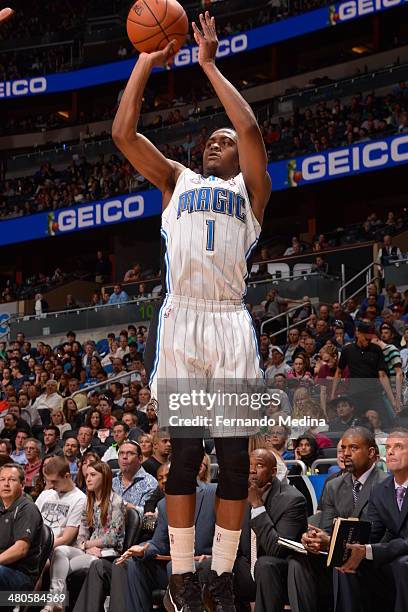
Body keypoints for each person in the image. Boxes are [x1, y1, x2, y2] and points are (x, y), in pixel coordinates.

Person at [113, 10, 271, 609]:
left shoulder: (252, 194)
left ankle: (224, 577)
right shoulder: (176, 180)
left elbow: (252, 129)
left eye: (222, 141)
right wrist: (145, 61)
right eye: (211, 139)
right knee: (185, 455)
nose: (217, 141)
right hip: (183, 320)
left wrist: (207, 65)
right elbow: (124, 135)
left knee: (233, 461)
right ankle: (181, 576)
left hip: (230, 322)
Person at [73, 473, 217, 612]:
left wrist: (216, 557)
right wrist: (143, 549)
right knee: (130, 563)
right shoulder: (164, 504)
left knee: (175, 566)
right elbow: (159, 543)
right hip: (171, 565)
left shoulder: (213, 493)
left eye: (169, 475)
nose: (165, 481)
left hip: (205, 561)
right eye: (161, 478)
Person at [289, 427, 386, 612]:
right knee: (297, 562)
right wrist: (316, 539)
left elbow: (378, 534)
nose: (346, 454)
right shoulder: (334, 486)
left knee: (344, 564)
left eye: (354, 448)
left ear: (371, 452)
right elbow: (327, 528)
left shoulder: (385, 484)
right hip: (336, 554)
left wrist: (331, 541)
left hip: (371, 557)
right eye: (344, 448)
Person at [335, 427, 408, 612]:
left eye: (398, 447)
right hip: (394, 556)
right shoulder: (380, 490)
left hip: (402, 559)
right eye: (388, 447)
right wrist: (348, 548)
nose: (390, 452)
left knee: (402, 565)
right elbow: (372, 534)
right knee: (347, 564)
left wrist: (369, 551)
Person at [42, 461, 125, 612]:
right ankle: (57, 603)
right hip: (88, 550)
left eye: (93, 475)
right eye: (87, 475)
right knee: (59, 551)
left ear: (105, 477)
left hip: (107, 554)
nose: (88, 479)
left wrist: (88, 545)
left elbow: (113, 538)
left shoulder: (116, 502)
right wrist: (85, 546)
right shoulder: (89, 502)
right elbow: (82, 535)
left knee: (61, 568)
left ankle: (54, 603)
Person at [233, 449, 308, 612]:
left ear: (273, 472)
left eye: (259, 465)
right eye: (249, 465)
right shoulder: (241, 495)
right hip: (250, 569)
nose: (252, 470)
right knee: (212, 567)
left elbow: (277, 550)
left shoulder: (292, 500)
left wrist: (257, 506)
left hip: (281, 572)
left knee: (265, 565)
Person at [0, 463, 43, 590]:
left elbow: (20, 549)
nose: (6, 484)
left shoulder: (27, 508)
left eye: (12, 480)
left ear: (22, 485)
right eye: (2, 479)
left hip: (20, 576)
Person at [35, 456, 86, 548]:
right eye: (48, 480)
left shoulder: (80, 499)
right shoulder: (45, 494)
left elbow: (66, 539)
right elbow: (31, 524)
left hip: (56, 547)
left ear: (67, 476)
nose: (51, 485)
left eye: (54, 481)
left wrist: (40, 549)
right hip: (36, 544)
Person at [112, 440, 158, 511]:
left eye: (130, 453)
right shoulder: (111, 482)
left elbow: (148, 515)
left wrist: (124, 505)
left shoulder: (150, 483)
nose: (124, 457)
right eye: (121, 453)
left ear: (140, 458)